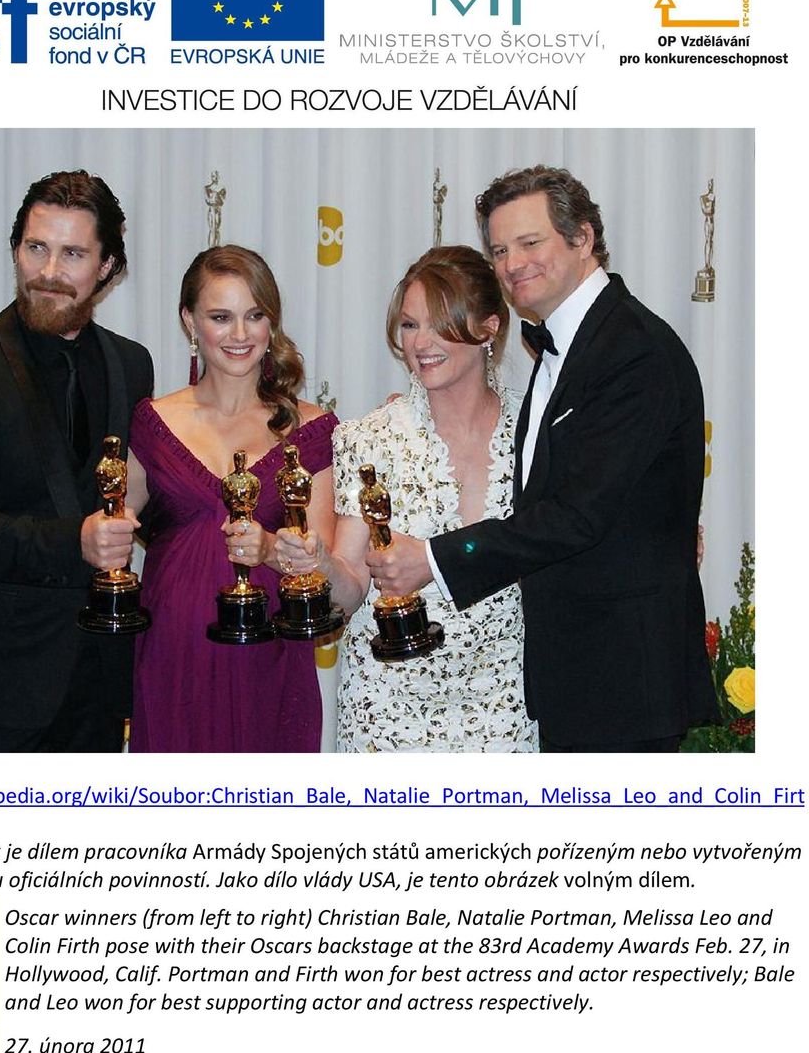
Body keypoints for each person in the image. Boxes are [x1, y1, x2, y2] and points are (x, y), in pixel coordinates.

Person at [366, 166, 719, 752]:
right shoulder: (570, 346)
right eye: (500, 250)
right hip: (579, 678)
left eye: (530, 243)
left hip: (623, 682)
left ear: (583, 238)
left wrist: (434, 558)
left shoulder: (633, 351)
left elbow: (576, 515)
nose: (511, 264)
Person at [0, 170, 154, 752]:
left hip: (98, 686)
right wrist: (77, 539)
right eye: (36, 248)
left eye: (72, 253)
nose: (48, 272)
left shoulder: (133, 365)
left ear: (107, 268)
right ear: (15, 249)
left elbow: (142, 499)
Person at [277, 246, 536, 753]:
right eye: (410, 325)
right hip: (390, 711)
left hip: (507, 701)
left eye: (440, 323)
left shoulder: (534, 434)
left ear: (488, 328)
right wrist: (321, 563)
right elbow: (349, 593)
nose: (422, 343)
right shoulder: (368, 438)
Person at [126, 245, 337, 753]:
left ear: (272, 323)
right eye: (221, 317)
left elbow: (321, 561)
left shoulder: (311, 429)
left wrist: (270, 550)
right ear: (190, 321)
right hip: (173, 652)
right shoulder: (153, 422)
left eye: (254, 316)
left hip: (271, 657)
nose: (240, 335)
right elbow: (118, 521)